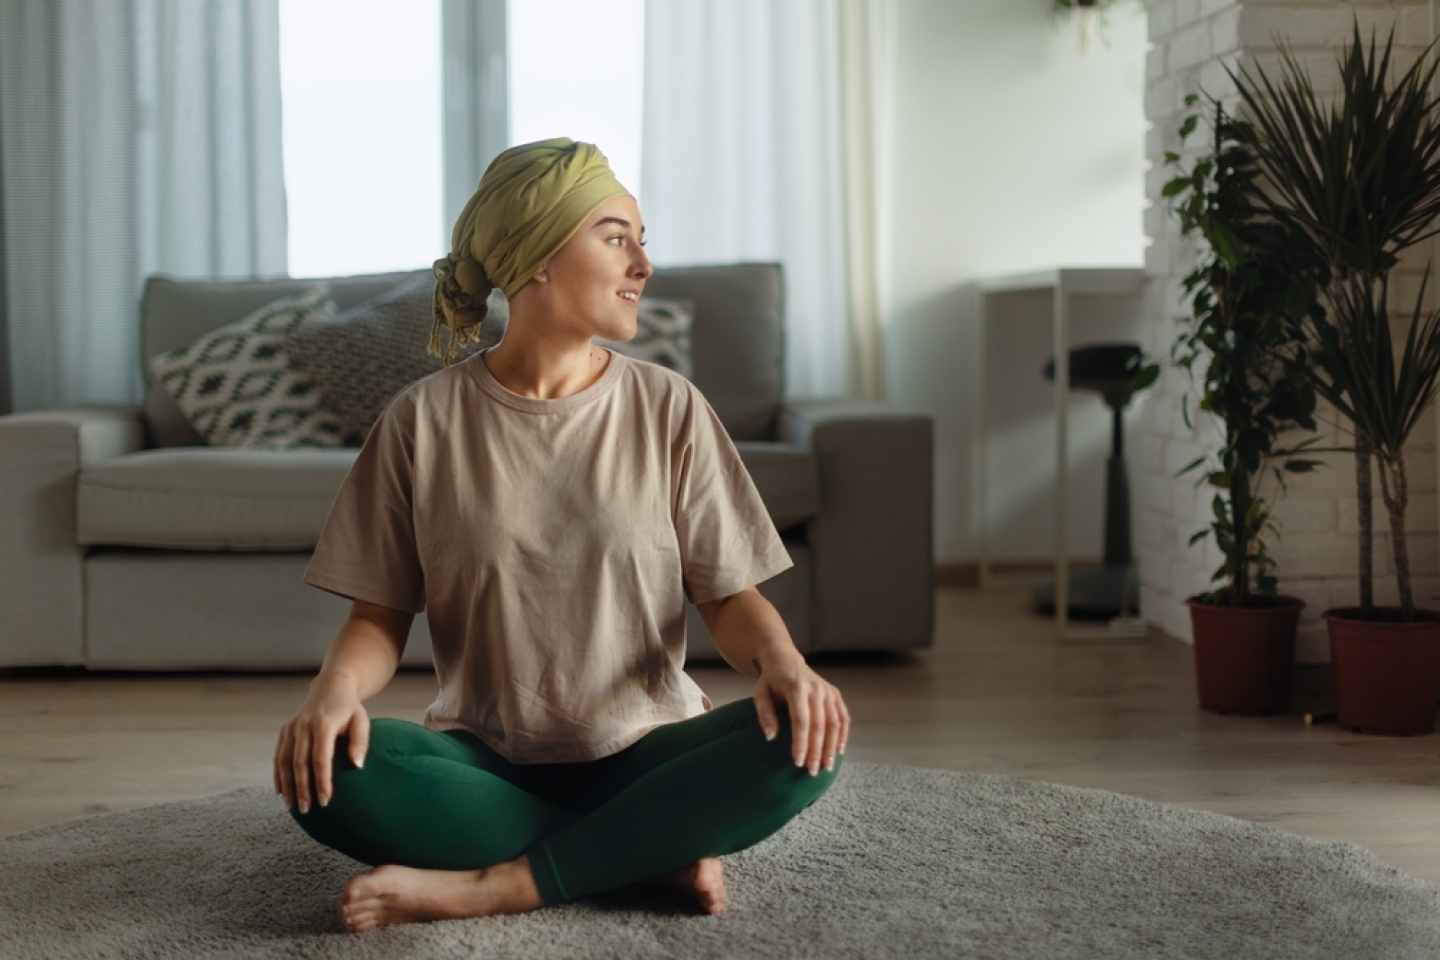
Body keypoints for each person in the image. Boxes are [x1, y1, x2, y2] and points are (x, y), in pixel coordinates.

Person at [272, 138, 850, 933]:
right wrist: (330, 693)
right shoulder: (422, 421)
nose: (643, 265)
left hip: (649, 751)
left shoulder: (670, 407)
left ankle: (496, 884)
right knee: (327, 769)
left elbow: (730, 596)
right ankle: (645, 850)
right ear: (537, 256)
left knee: (804, 745)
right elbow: (375, 618)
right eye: (618, 237)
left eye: (643, 242)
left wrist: (787, 665)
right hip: (488, 760)